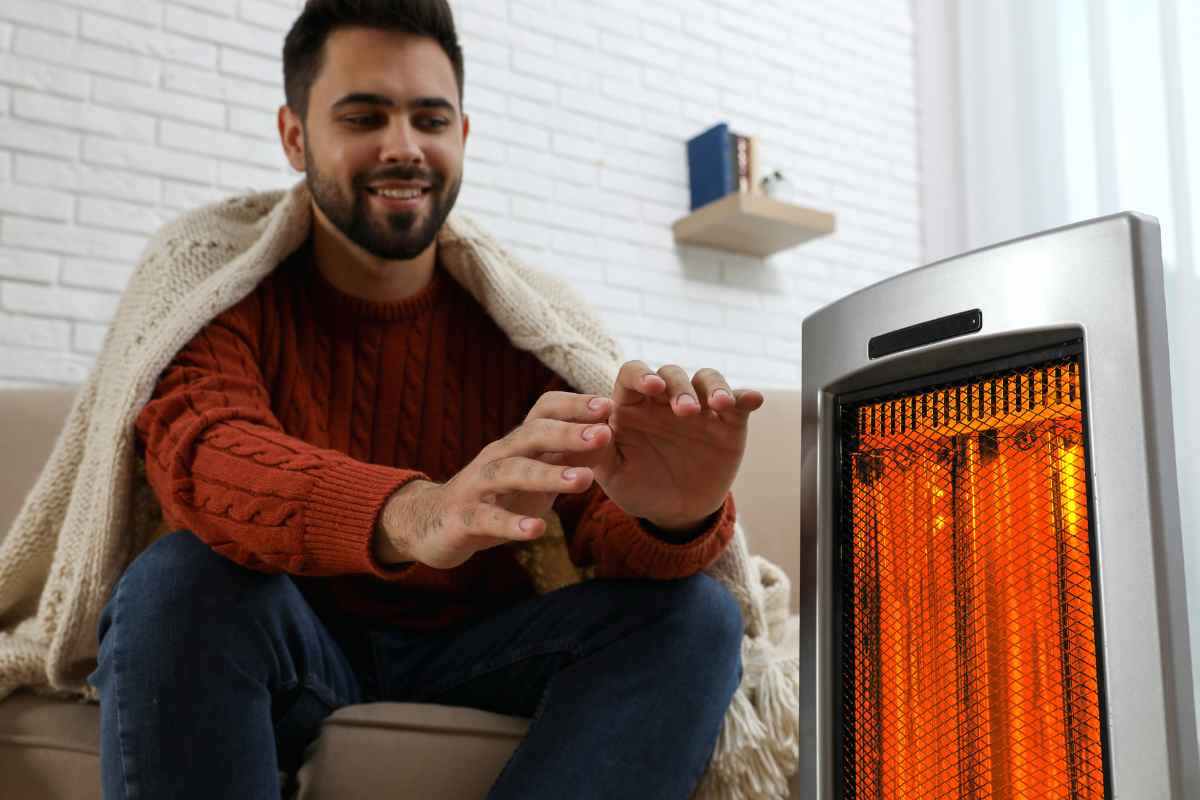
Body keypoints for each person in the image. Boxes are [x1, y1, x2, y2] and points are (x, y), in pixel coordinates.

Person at [85, 1, 765, 798]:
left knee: (695, 621)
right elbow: (204, 453)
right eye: (364, 116)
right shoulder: (212, 284)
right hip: (289, 632)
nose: (404, 147)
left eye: (430, 119)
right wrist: (416, 512)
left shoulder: (524, 321)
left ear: (463, 138)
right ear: (295, 135)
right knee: (178, 582)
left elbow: (599, 519)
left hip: (476, 645)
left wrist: (670, 516)